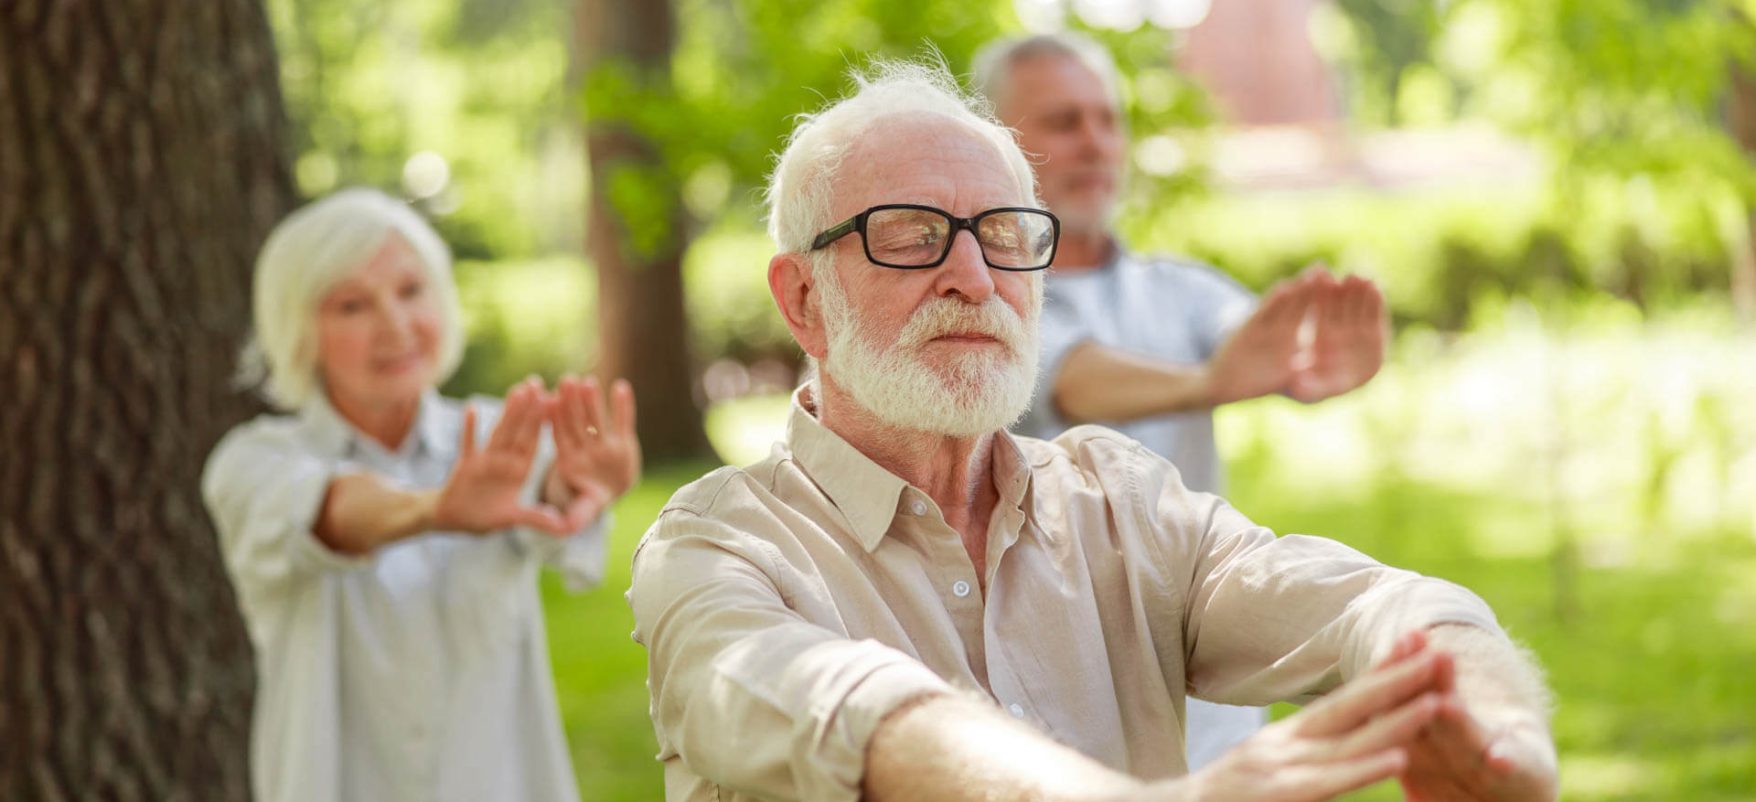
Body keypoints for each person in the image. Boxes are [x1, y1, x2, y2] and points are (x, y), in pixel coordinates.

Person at [626, 61, 1556, 802]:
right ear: (801, 299)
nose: (974, 277)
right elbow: (862, 719)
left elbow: (1376, 607)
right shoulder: (715, 548)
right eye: (909, 236)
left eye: (1003, 234)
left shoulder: (1119, 502)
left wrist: (1497, 727)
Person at [973, 32, 1391, 768]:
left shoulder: (1182, 288)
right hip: (1043, 704)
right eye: (1065, 122)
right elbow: (1068, 377)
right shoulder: (977, 304)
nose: (1096, 143)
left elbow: (1249, 339)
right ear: (993, 142)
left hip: (1205, 701)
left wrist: (1307, 359)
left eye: (1109, 121)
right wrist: (1208, 383)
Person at [202, 188, 641, 802]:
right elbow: (329, 510)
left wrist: (583, 482)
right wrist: (437, 509)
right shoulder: (254, 462)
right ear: (298, 328)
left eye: (411, 291)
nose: (396, 325)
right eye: (353, 305)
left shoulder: (496, 435)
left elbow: (552, 494)